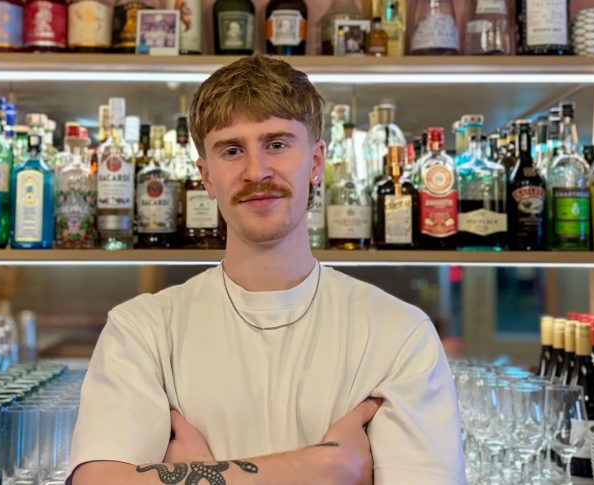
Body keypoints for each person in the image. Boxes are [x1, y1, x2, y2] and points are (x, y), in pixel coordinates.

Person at [68, 55, 465, 485]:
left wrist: (194, 477)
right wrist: (326, 469)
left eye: (276, 144)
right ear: (205, 176)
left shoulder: (399, 334)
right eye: (232, 150)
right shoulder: (141, 331)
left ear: (315, 163)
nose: (256, 171)